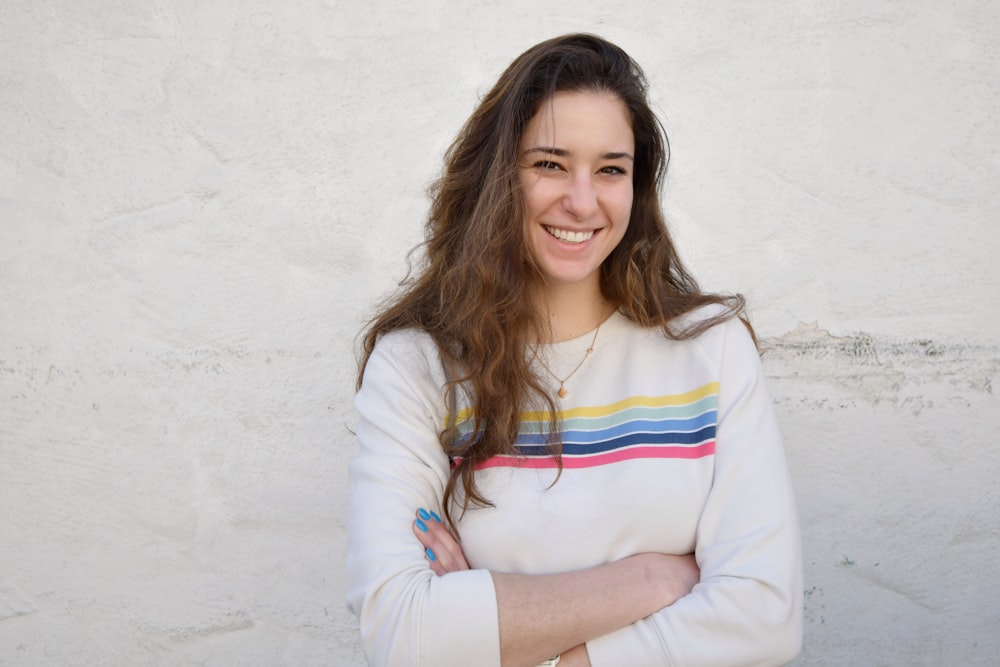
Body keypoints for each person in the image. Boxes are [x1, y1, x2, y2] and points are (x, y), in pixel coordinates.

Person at [347, 33, 802, 667]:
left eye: (611, 169)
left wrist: (506, 633)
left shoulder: (710, 352)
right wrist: (657, 581)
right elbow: (402, 635)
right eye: (550, 164)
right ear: (497, 176)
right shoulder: (420, 368)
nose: (583, 201)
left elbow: (764, 621)